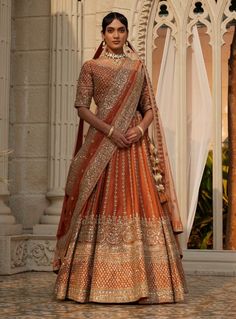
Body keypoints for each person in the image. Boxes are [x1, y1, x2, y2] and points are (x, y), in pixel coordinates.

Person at [53, 11, 187, 304]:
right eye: (111, 30)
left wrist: (140, 129)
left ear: (127, 34)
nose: (116, 35)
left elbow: (150, 107)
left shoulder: (138, 68)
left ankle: (147, 285)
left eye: (121, 30)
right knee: (95, 201)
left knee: (139, 203)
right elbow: (82, 107)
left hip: (133, 148)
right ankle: (87, 284)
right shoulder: (91, 67)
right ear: (103, 34)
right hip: (103, 144)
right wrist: (110, 130)